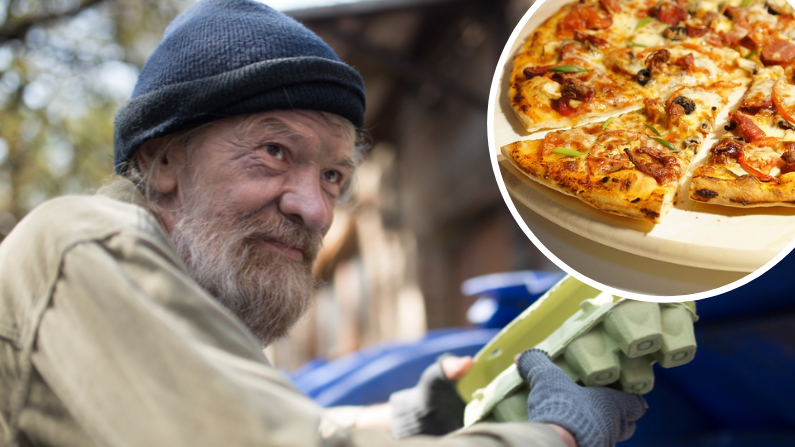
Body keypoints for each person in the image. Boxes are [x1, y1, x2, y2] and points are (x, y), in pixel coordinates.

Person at [0, 1, 646, 446]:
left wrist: (407, 417)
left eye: (333, 176)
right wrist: (550, 435)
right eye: (274, 152)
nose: (313, 209)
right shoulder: (85, 241)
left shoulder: (189, 306)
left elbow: (275, 428)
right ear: (164, 160)